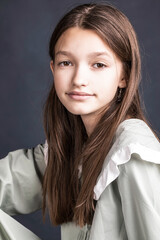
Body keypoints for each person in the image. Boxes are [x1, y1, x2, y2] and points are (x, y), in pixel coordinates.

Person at [0, 3, 160, 240]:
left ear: (124, 76)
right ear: (53, 68)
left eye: (98, 64)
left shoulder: (132, 151)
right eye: (67, 63)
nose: (79, 79)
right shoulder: (69, 147)